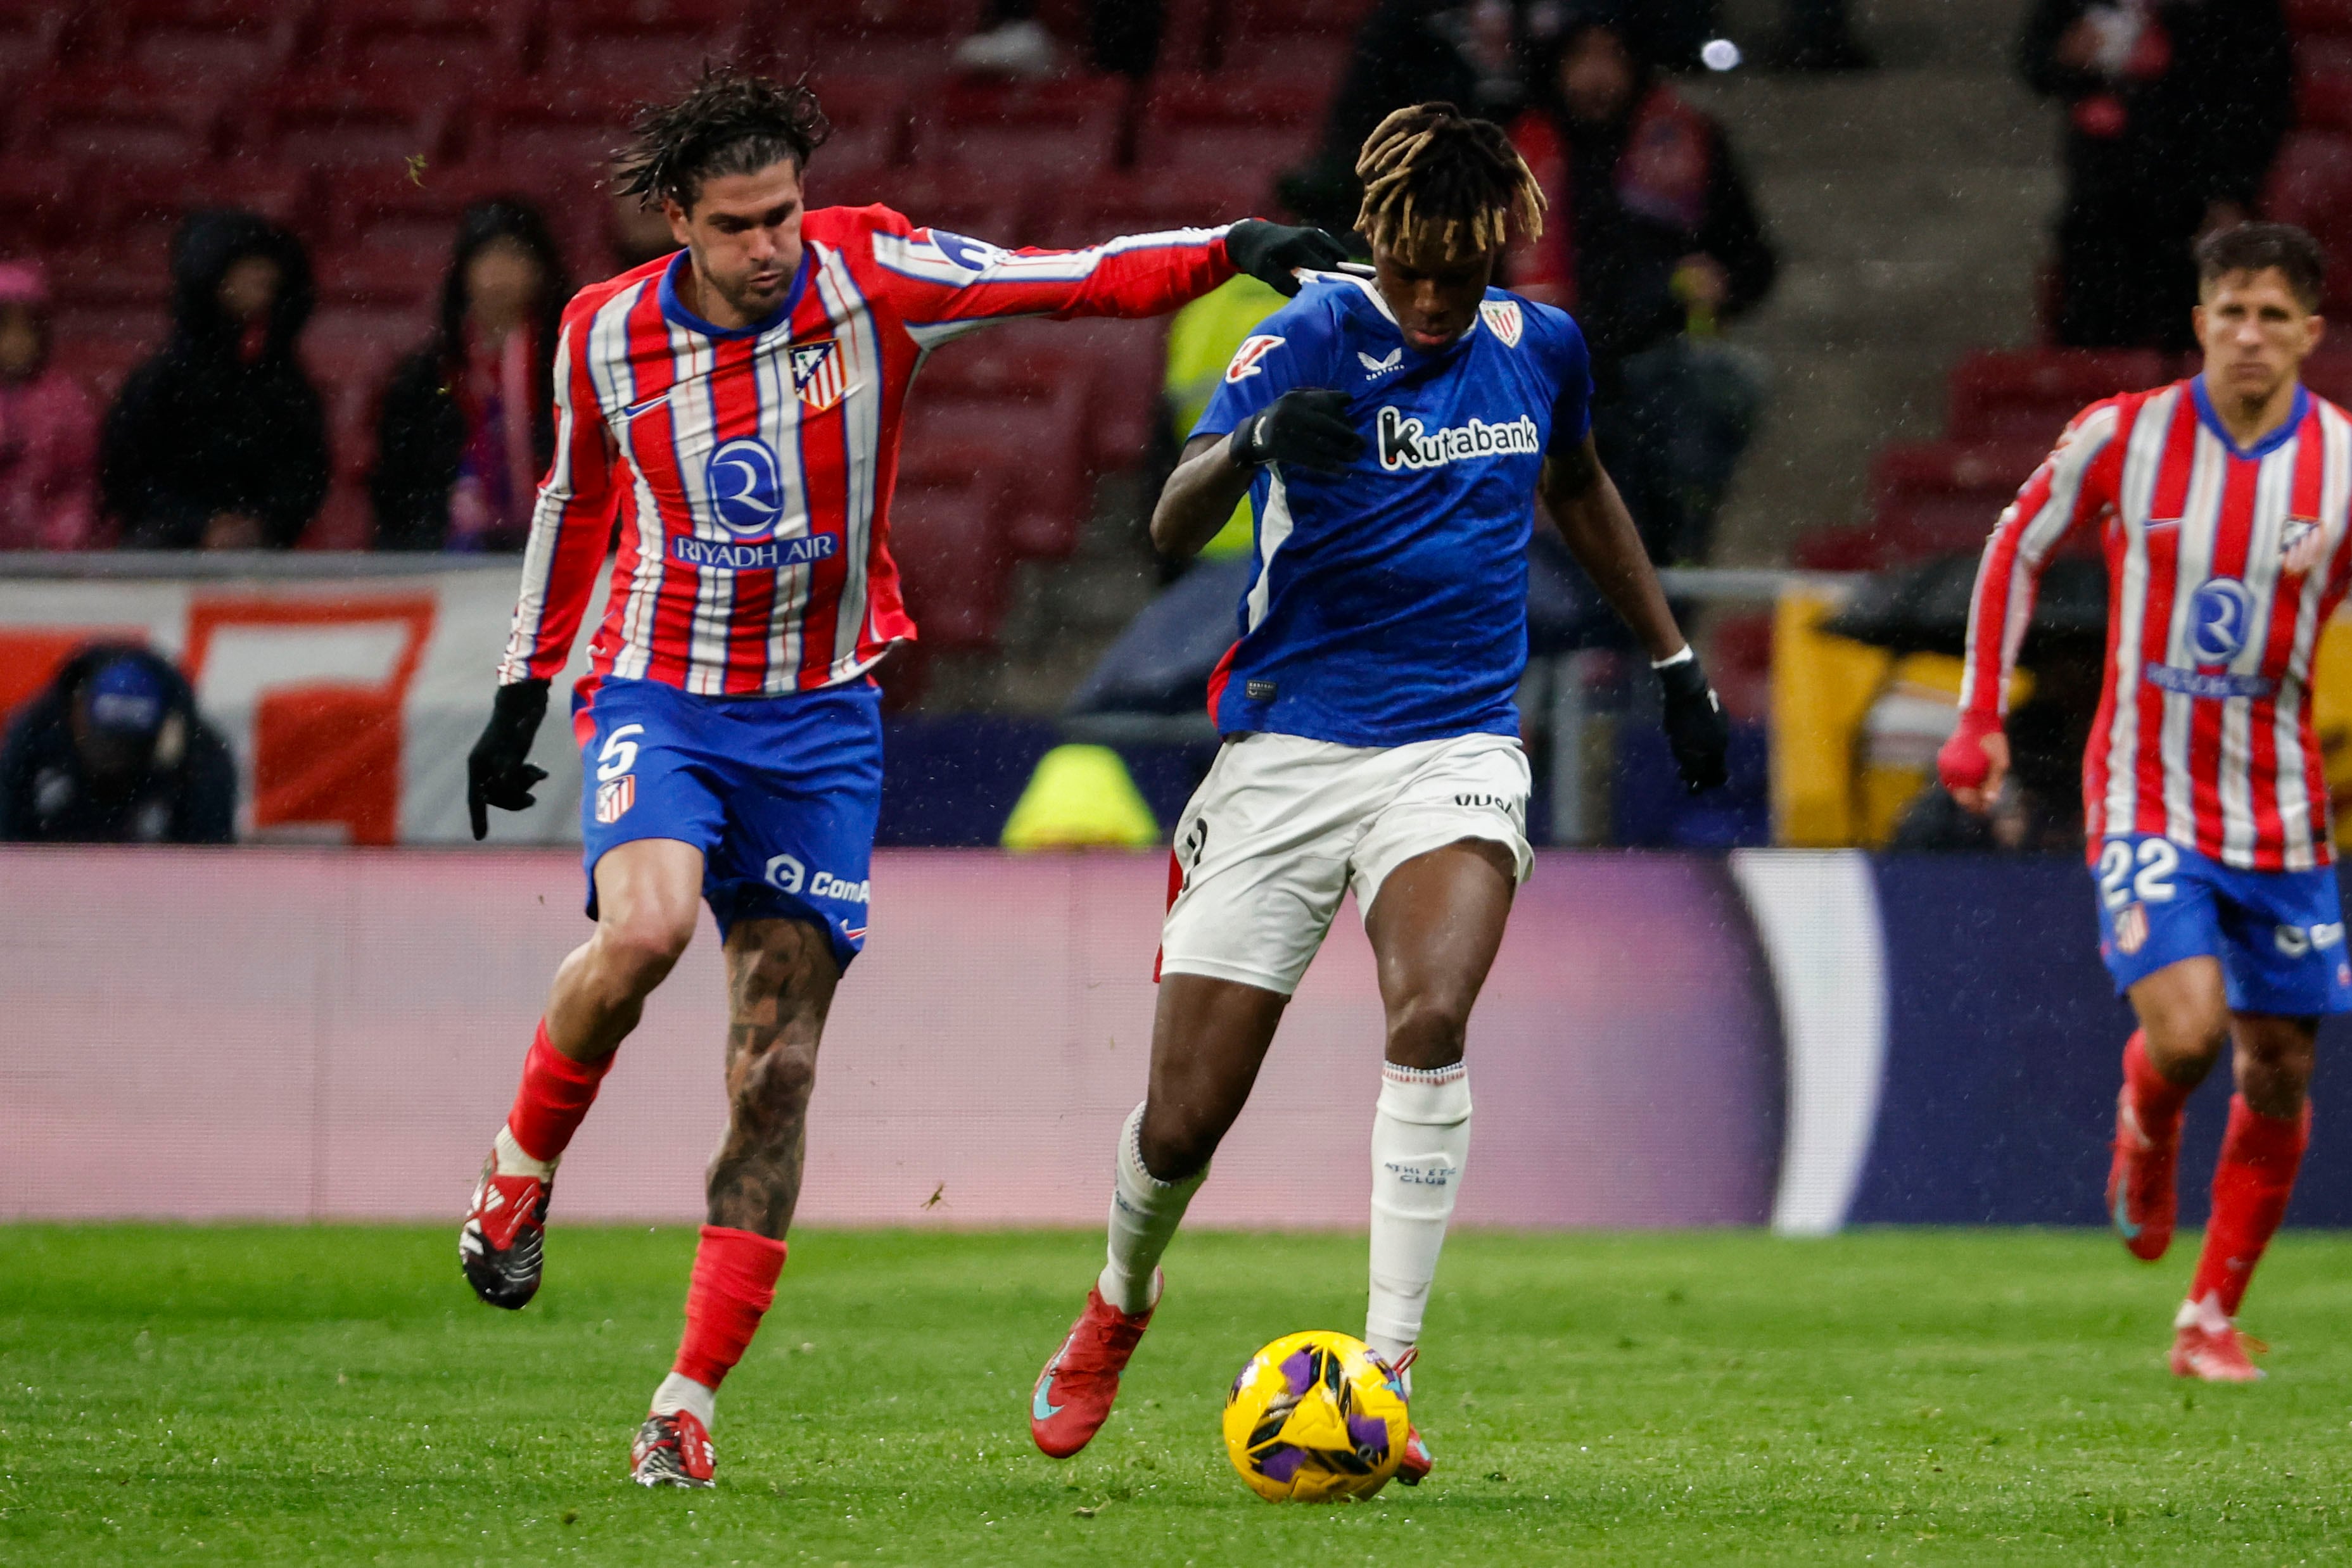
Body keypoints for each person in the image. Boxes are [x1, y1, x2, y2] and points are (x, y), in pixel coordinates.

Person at [454, 68, 1347, 1488]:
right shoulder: (602, 334)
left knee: (779, 1066)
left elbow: (1069, 279)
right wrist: (519, 688)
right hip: (661, 690)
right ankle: (519, 1165)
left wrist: (1226, 248)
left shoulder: (865, 268)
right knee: (642, 929)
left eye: (784, 214)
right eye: (739, 224)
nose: (770, 247)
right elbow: (573, 502)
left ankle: (685, 1399)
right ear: (676, 218)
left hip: (819, 717)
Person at [1026, 103, 1729, 1479]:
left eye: (1453, 278)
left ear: (1488, 257)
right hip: (1286, 750)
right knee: (1181, 1123)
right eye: (1406, 269)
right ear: (1381, 239)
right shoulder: (1301, 334)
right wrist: (1251, 444)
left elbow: (1579, 483)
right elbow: (1168, 523)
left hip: (1451, 748)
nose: (1424, 299)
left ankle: (1387, 1373)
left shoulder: (1540, 349)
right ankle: (1117, 1299)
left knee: (1429, 1013)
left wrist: (1672, 658)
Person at [1940, 224, 2349, 1382]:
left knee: (2277, 1065)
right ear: (2199, 321)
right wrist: (1978, 716)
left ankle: (2207, 1317)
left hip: (2280, 810)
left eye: (2273, 315)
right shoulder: (2124, 434)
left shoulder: (2344, 467)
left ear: (2310, 333)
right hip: (2144, 789)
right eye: (2230, 311)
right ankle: (2145, 1116)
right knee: (2186, 1033)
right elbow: (2014, 547)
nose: (2249, 335)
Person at [1510, 14, 1776, 566]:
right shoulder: (1511, 152)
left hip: (1661, 373)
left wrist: (1720, 283)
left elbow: (1751, 261)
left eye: (1611, 57)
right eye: (1580, 58)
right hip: (1544, 372)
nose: (1596, 76)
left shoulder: (1688, 138)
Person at [2020, 0, 2291, 353]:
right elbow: (2037, 61)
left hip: (2195, 200)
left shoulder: (2237, 15)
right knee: (2100, 342)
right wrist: (2067, 55)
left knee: (2196, 344)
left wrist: (2230, 194)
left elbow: (2263, 96)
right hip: (2103, 204)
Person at [99, 210, 328, 550]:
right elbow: (128, 478)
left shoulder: (287, 383)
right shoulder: (161, 381)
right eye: (249, 265)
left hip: (268, 548)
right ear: (213, 276)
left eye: (267, 265)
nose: (265, 276)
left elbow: (307, 475)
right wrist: (198, 525)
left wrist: (261, 522)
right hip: (168, 548)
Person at [371, 199, 571, 552]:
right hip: (450, 553)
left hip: (557, 544)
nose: (498, 271)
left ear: (541, 270)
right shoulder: (428, 374)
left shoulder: (569, 363)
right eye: (486, 256)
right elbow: (401, 482)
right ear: (463, 271)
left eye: (513, 255)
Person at [0, 645, 234, 844]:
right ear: (79, 714)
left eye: (127, 744)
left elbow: (207, 854)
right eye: (105, 739)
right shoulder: (34, 740)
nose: (112, 756)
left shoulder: (201, 759)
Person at [0, 262, 100, 552]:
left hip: (45, 562)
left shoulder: (65, 401)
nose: (15, 342)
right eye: (3, 328)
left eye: (27, 329)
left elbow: (78, 485)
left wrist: (59, 536)